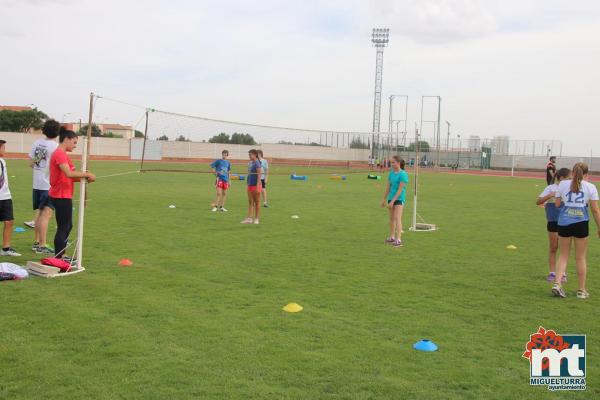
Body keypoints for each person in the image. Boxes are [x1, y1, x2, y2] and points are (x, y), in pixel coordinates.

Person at [552, 162, 600, 299]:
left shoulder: (562, 184)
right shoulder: (590, 187)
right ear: (586, 174)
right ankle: (581, 290)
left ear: (572, 172)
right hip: (581, 224)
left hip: (564, 223)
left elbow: (557, 204)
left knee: (563, 255)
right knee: (580, 257)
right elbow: (595, 210)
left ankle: (557, 284)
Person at [49, 128, 96, 259]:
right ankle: (59, 256)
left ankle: (61, 254)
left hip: (64, 194)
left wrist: (85, 178)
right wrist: (86, 174)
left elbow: (71, 177)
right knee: (64, 227)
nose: (75, 146)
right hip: (60, 195)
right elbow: (69, 173)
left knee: (67, 226)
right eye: (74, 143)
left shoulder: (64, 155)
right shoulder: (59, 154)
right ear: (67, 139)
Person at [28, 119, 60, 254]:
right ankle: (42, 245)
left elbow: (30, 163)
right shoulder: (55, 146)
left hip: (37, 184)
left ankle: (37, 242)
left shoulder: (36, 143)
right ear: (57, 132)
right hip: (48, 185)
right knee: (46, 214)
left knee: (40, 213)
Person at [536, 168, 570, 282]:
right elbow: (538, 201)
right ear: (561, 178)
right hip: (553, 221)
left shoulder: (570, 188)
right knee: (553, 247)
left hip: (566, 221)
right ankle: (552, 273)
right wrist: (550, 195)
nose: (570, 180)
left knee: (564, 249)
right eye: (568, 178)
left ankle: (562, 273)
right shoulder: (550, 188)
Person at [381, 155, 409, 247]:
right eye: (391, 162)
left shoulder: (403, 174)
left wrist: (393, 201)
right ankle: (392, 237)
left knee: (397, 218)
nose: (391, 164)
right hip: (391, 198)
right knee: (391, 219)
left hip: (399, 198)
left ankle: (399, 239)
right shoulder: (391, 173)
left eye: (393, 162)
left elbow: (400, 190)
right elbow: (388, 187)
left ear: (398, 163)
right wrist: (384, 199)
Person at [0, 140, 21, 257]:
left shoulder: (3, 161)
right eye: (3, 147)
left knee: (9, 221)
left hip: (5, 197)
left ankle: (6, 248)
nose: (5, 150)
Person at [241, 149, 262, 225]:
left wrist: (257, 185)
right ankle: (249, 218)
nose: (249, 156)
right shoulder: (250, 163)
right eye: (249, 155)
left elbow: (259, 175)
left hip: (256, 185)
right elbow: (249, 173)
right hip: (249, 184)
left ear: (255, 155)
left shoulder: (257, 163)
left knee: (257, 202)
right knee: (250, 202)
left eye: (250, 155)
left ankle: (256, 218)